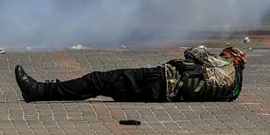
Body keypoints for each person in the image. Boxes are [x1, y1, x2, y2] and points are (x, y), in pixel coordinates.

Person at [14, 45, 247, 103]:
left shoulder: (223, 64)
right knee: (101, 86)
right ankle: (44, 91)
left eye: (226, 53)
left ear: (233, 58)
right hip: (162, 93)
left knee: (97, 80)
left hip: (159, 80)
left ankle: (38, 91)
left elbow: (193, 52)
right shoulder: (230, 90)